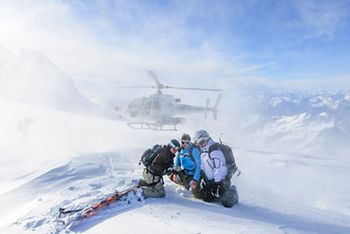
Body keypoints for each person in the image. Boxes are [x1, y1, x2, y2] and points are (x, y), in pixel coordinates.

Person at [193, 130, 239, 207]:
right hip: (210, 180)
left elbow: (219, 168)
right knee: (206, 198)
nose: (200, 145)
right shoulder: (204, 150)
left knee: (227, 202)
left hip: (220, 180)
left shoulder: (214, 150)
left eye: (202, 142)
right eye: (199, 143)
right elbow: (203, 165)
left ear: (206, 138)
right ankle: (215, 194)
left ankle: (231, 191)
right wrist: (202, 177)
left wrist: (217, 183)